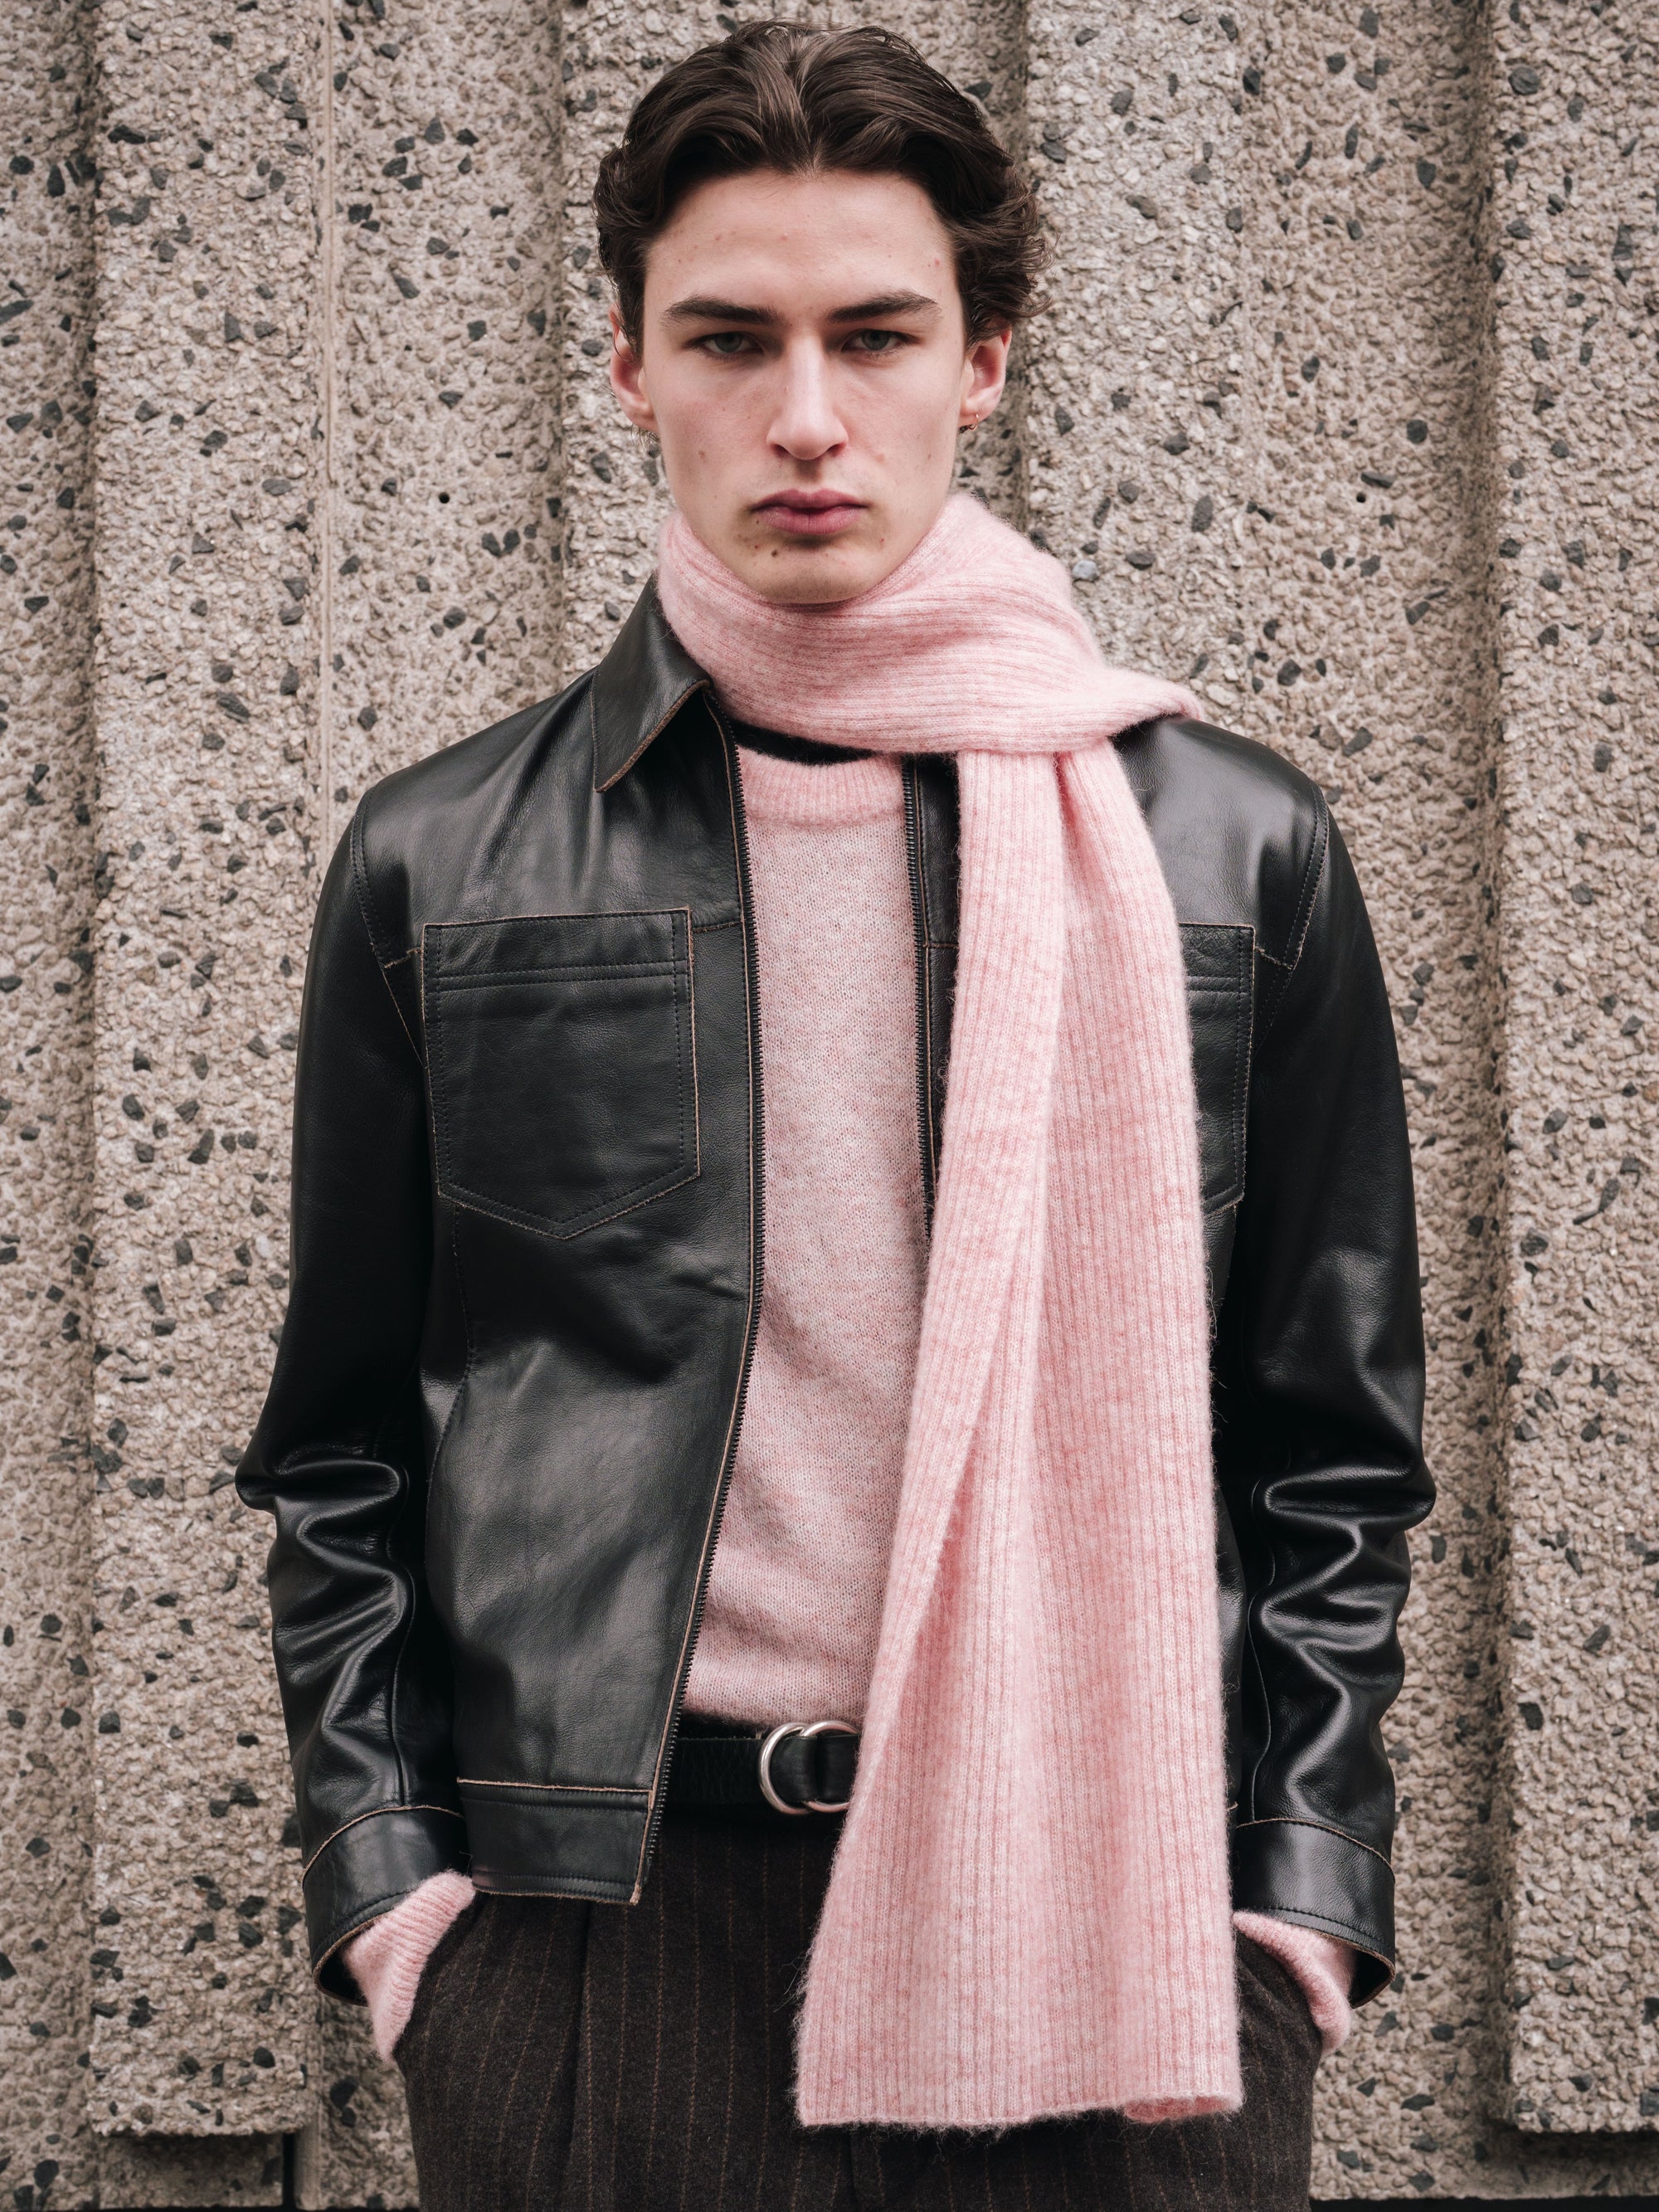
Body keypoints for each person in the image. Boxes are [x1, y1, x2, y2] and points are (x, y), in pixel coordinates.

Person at [237, 23, 1433, 2208]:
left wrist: (1299, 1907)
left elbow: (1331, 1451)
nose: (806, 416)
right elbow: (339, 1448)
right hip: (603, 1939)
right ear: (627, 366)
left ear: (982, 360)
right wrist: (403, 1904)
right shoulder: (441, 862)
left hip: (1112, 1930)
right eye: (731, 337)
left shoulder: (1232, 851)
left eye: (875, 334)